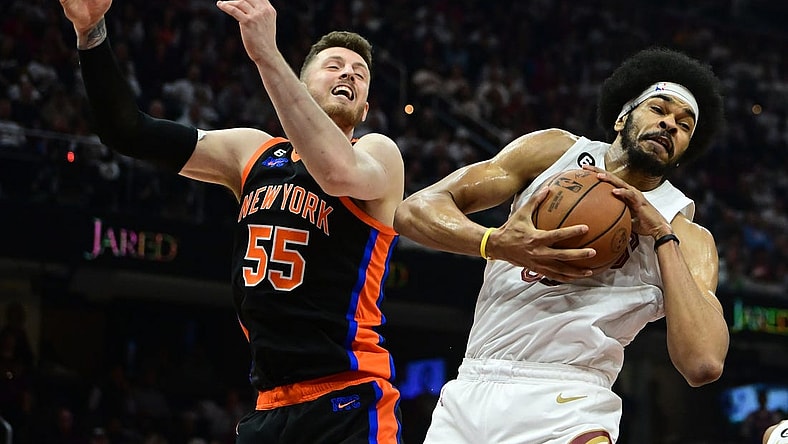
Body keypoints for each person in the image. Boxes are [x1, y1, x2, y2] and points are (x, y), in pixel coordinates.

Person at [58, 0, 405, 442]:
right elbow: (128, 130)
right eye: (334, 66)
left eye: (359, 74)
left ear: (366, 108)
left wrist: (267, 54)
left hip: (349, 398)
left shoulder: (378, 153)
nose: (349, 75)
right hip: (269, 405)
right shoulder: (252, 152)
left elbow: (335, 173)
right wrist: (91, 32)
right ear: (301, 85)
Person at [394, 47, 729, 443]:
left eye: (684, 125)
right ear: (622, 117)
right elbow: (413, 211)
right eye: (659, 109)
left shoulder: (685, 232)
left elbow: (703, 363)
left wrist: (661, 236)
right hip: (471, 385)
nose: (670, 124)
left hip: (570, 399)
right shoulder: (553, 152)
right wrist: (496, 243)